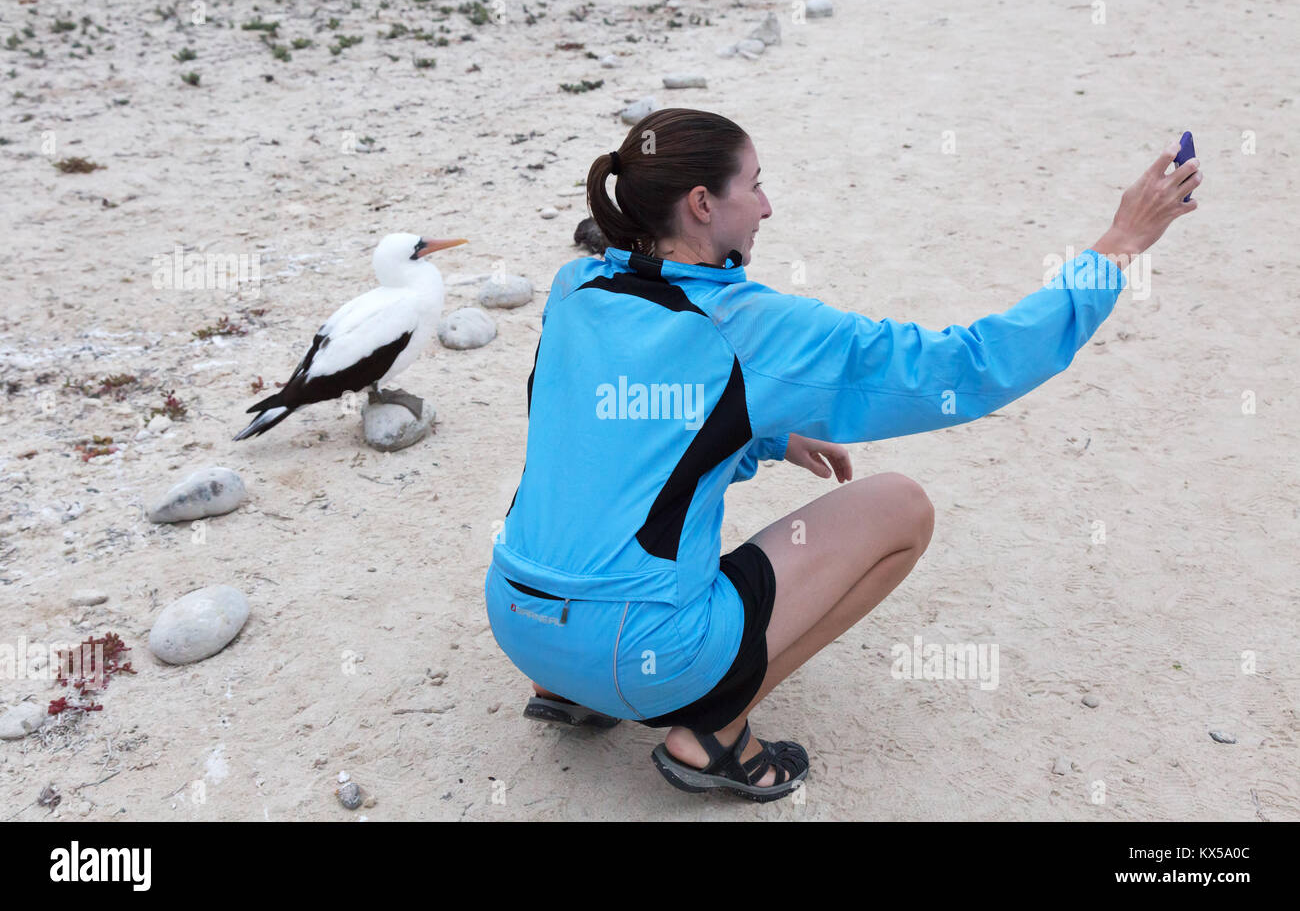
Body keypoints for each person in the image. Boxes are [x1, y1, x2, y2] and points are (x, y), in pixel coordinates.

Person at [483, 108, 1202, 802]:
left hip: (519, 623)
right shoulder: (752, 328)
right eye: (755, 183)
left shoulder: (574, 287)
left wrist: (760, 430)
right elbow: (967, 367)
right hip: (639, 655)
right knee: (901, 508)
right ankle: (714, 733)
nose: (766, 206)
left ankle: (566, 687)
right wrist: (1121, 243)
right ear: (702, 203)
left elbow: (608, 434)